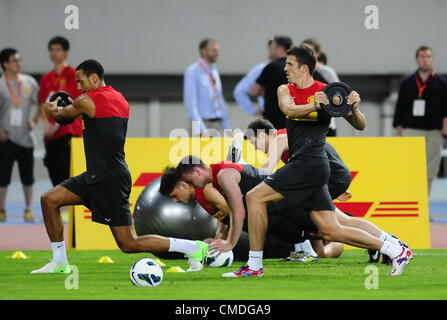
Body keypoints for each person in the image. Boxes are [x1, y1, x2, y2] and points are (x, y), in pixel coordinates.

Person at [223, 46, 412, 278]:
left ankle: (254, 265)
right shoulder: (286, 89)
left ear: (303, 68)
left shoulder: (329, 92)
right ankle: (395, 249)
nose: (285, 69)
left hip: (309, 164)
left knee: (254, 197)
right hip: (307, 166)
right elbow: (289, 110)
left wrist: (354, 108)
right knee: (331, 230)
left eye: (289, 64)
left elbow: (359, 125)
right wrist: (315, 105)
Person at [31, 59, 209, 274]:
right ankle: (60, 262)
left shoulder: (86, 101)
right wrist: (73, 105)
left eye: (80, 81)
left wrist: (48, 109)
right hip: (98, 175)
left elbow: (61, 117)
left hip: (109, 179)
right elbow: (87, 113)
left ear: (94, 77)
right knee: (49, 200)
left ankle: (192, 247)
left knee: (128, 243)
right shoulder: (120, 99)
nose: (78, 87)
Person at [161, 165, 335, 261]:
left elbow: (232, 210)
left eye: (174, 196)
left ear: (183, 185)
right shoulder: (202, 193)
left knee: (325, 232)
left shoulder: (205, 190)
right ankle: (334, 238)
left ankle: (341, 237)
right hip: (267, 216)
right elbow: (225, 216)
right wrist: (218, 238)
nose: (175, 201)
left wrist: (228, 242)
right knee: (320, 235)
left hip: (272, 213)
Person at [393, 45, 447, 196]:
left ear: (432, 59)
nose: (425, 60)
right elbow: (400, 107)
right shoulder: (407, 83)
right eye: (422, 57)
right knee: (411, 169)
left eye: (428, 57)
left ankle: (425, 206)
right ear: (417, 59)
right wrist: (398, 130)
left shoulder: (441, 83)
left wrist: (444, 128)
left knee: (430, 171)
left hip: (433, 131)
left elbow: (445, 107)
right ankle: (413, 203)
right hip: (411, 130)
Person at [0, 48, 40, 222]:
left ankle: (28, 208)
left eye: (19, 60)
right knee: (3, 178)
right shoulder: (0, 85)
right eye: (14, 60)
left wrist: (35, 121)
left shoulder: (29, 83)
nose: (19, 63)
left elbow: (41, 103)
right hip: (6, 138)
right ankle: (1, 209)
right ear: (5, 64)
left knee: (28, 177)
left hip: (26, 138)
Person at [38, 36, 83, 186]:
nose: (54, 53)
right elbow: (44, 104)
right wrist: (46, 126)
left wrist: (54, 125)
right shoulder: (46, 78)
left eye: (58, 50)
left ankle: (70, 209)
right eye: (51, 50)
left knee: (68, 175)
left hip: (68, 132)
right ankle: (60, 209)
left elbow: (68, 103)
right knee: (54, 174)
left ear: (66, 52)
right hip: (51, 136)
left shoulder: (72, 74)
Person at [183, 39, 231, 137]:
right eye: (214, 50)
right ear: (203, 51)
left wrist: (227, 128)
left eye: (217, 50)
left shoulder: (214, 71)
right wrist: (201, 129)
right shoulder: (193, 71)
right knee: (198, 152)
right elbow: (191, 104)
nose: (217, 53)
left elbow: (219, 100)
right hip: (200, 124)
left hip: (215, 124)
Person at [249, 36, 292, 129]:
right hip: (294, 119)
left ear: (280, 49)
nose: (269, 52)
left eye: (271, 48)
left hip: (273, 119)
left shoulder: (271, 67)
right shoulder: (298, 67)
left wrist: (264, 91)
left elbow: (254, 91)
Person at [301, 38, 339, 136]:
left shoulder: (327, 72)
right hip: (305, 123)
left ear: (317, 54)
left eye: (309, 50)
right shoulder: (297, 72)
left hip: (326, 124)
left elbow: (338, 93)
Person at [233, 39, 274, 117]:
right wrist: (253, 111)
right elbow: (239, 91)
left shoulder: (290, 68)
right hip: (268, 116)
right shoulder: (261, 69)